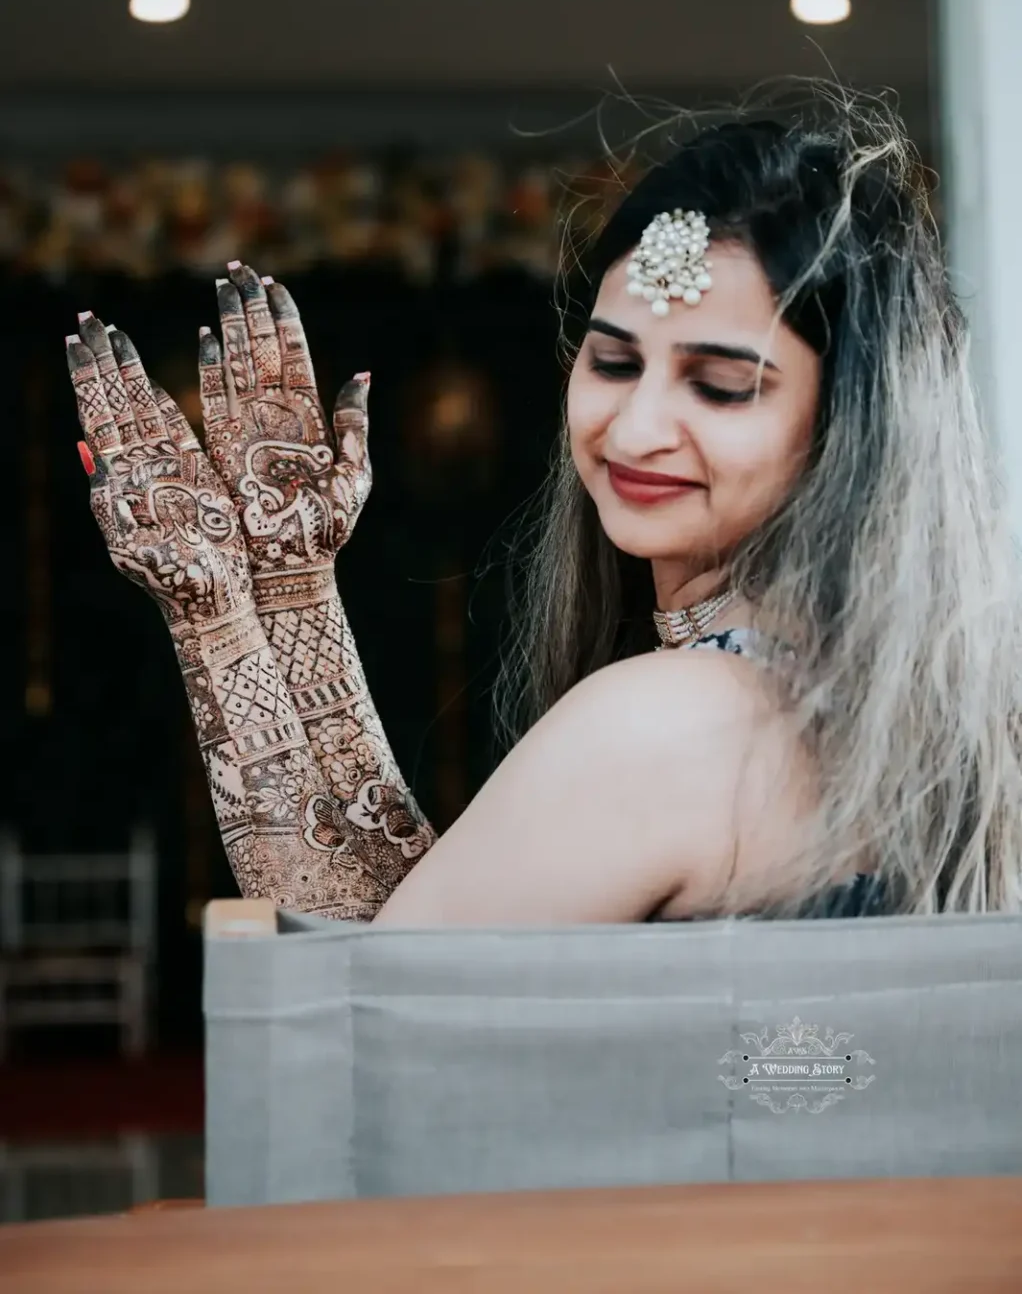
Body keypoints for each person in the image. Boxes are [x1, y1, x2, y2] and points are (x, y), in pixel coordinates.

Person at [64, 104, 1022, 925]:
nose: (638, 427)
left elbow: (366, 1020)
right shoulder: (893, 710)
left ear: (852, 425)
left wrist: (220, 624)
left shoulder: (677, 722)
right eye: (612, 361)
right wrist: (284, 584)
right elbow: (414, 935)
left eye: (721, 386)